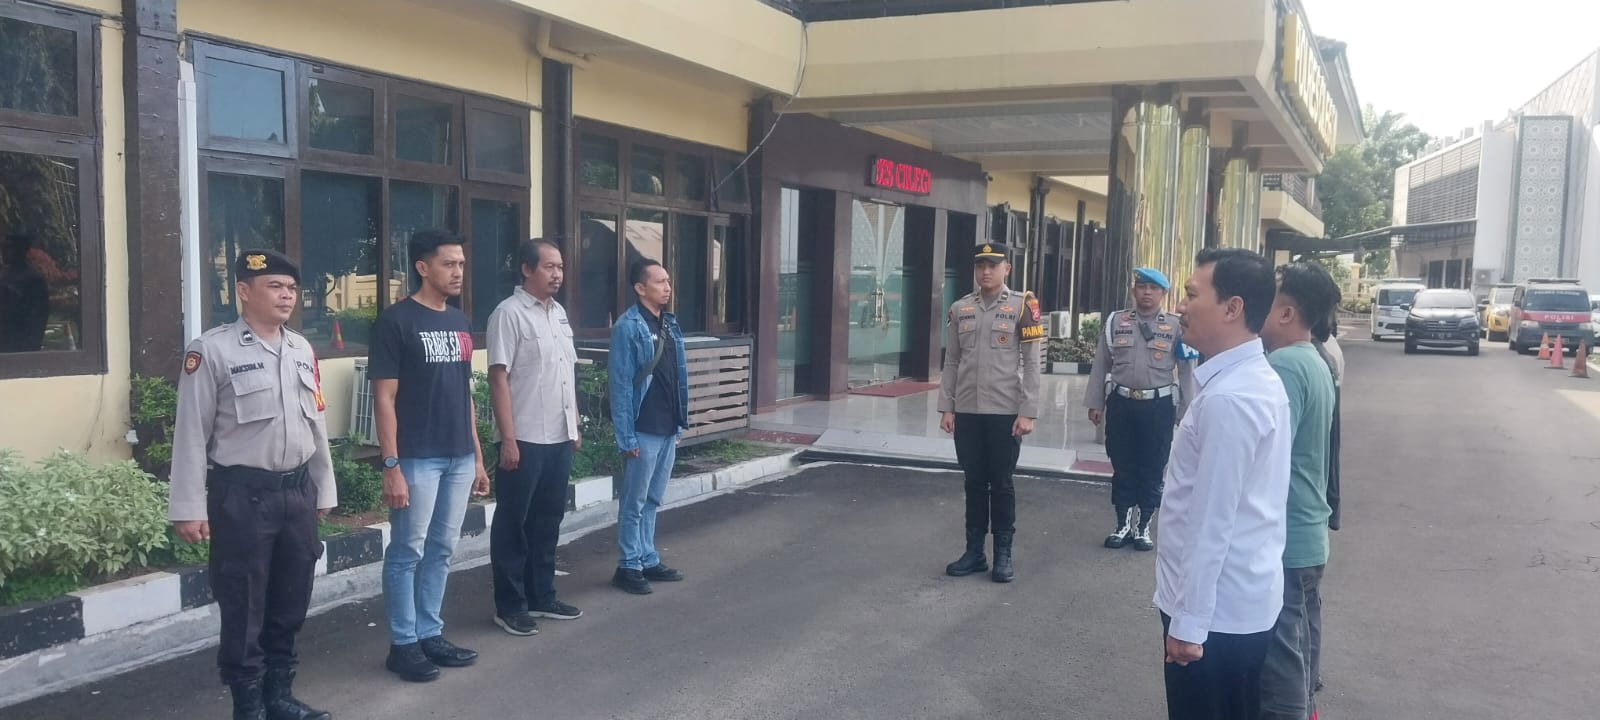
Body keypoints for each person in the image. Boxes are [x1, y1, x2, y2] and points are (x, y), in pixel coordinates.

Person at [169, 249, 336, 720]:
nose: (287, 296)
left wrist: (324, 488)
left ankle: (279, 696)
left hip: (297, 493)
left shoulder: (301, 349)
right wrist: (188, 506)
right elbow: (191, 432)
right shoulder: (212, 350)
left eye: (291, 288)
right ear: (244, 291)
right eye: (275, 287)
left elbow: (316, 424)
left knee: (291, 598)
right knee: (243, 602)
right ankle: (248, 704)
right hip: (244, 497)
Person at [1156, 247, 1291, 720]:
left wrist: (1189, 624)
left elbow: (1212, 520)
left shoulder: (1231, 398)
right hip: (1236, 605)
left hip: (1215, 617)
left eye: (1192, 295)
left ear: (1233, 308)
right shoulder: (1252, 380)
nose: (1181, 306)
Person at [370, 229, 491, 682]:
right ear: (423, 267)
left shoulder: (460, 321)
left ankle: (429, 633)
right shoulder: (396, 321)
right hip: (417, 457)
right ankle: (403, 644)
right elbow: (384, 398)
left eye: (461, 264)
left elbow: (464, 394)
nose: (458, 272)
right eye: (448, 264)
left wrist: (476, 457)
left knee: (441, 548)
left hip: (458, 455)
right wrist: (392, 465)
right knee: (407, 550)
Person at [487, 239, 584, 635]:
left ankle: (542, 595)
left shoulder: (558, 313)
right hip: (524, 436)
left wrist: (574, 425)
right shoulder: (508, 314)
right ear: (527, 270)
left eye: (560, 267)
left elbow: (566, 373)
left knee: (548, 520)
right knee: (514, 523)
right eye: (549, 267)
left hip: (559, 435)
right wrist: (508, 439)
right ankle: (510, 606)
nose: (557, 274)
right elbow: (499, 378)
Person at [1256, 262, 1339, 720]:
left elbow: (1268, 455)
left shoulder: (1284, 365)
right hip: (1308, 533)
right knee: (1303, 640)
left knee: (1281, 657)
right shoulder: (1315, 360)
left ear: (1287, 313)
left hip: (1287, 534)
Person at [938, 242, 1043, 584]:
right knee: (973, 482)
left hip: (1004, 411)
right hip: (968, 410)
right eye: (980, 265)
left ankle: (1003, 554)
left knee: (1001, 483)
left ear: (1006, 269)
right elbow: (952, 361)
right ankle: (974, 552)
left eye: (993, 265)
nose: (985, 271)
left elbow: (1032, 363)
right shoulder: (961, 308)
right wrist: (947, 406)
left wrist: (1027, 411)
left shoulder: (1022, 305)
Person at [1085, 267, 1198, 551]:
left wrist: (1187, 410)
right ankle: (1122, 524)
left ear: (1163, 293)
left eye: (1153, 288)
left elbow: (1187, 371)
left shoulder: (1176, 326)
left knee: (1153, 466)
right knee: (1122, 464)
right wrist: (1096, 402)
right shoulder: (1116, 321)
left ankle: (1143, 525)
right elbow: (1101, 364)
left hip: (1158, 407)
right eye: (1142, 286)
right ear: (1133, 289)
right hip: (1122, 404)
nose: (1147, 292)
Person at [608, 258, 689, 595]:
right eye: (659, 282)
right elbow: (620, 385)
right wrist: (626, 436)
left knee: (653, 498)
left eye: (668, 281)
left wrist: (679, 424)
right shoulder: (628, 327)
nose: (667, 287)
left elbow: (677, 375)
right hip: (643, 428)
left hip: (668, 427)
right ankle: (629, 564)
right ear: (640, 288)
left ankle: (647, 557)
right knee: (635, 501)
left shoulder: (669, 323)